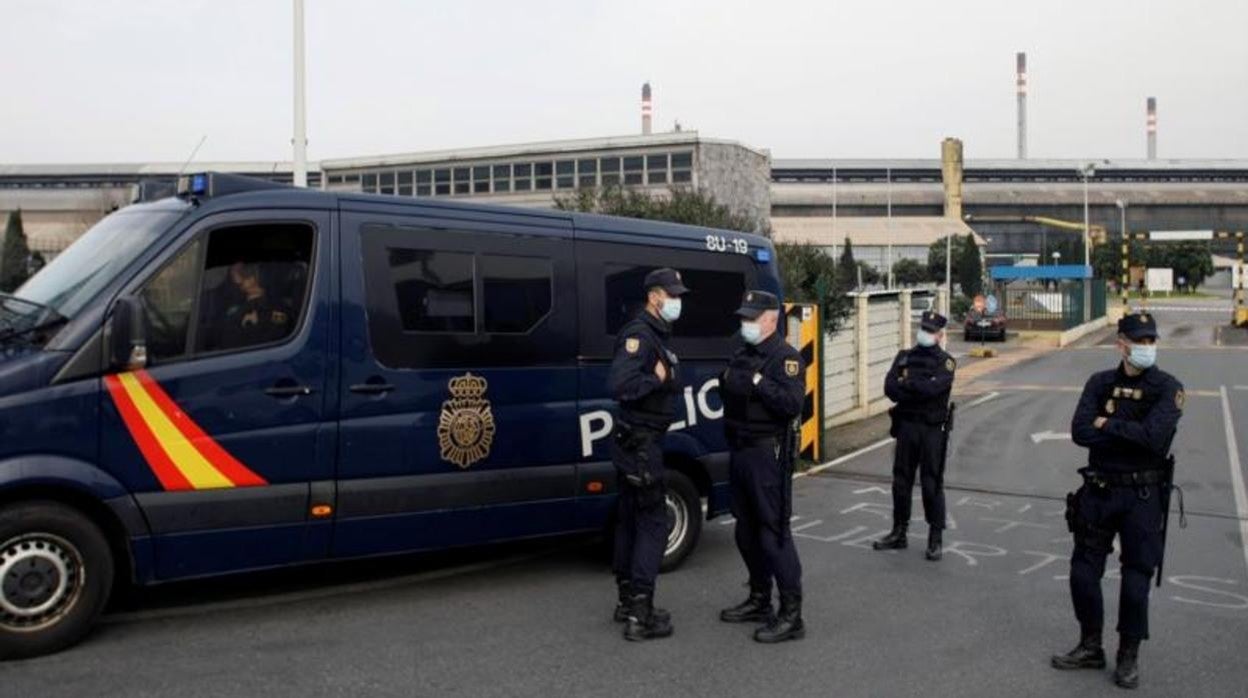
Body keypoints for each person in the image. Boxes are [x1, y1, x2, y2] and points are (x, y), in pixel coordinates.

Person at [1051, 312, 1183, 690]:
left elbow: (1154, 439)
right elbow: (1079, 432)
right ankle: (1090, 644)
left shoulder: (1168, 387)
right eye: (1138, 341)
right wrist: (1129, 433)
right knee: (1082, 572)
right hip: (1099, 490)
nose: (1145, 348)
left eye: (1150, 341)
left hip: (1142, 496)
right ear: (1120, 343)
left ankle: (1128, 655)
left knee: (1135, 579)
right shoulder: (1100, 383)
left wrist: (1106, 425)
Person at [718, 290, 806, 643]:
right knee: (745, 530)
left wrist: (756, 382)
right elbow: (725, 389)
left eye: (752, 318)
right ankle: (759, 598)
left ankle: (792, 614)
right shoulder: (743, 353)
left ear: (771, 319)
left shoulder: (785, 358)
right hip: (739, 450)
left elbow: (791, 403)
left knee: (773, 533)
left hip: (766, 454)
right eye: (743, 318)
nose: (746, 324)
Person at [607, 267, 688, 642]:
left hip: (636, 442)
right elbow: (620, 385)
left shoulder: (657, 334)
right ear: (655, 296)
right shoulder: (641, 335)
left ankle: (626, 600)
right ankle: (641, 613)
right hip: (640, 445)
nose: (677, 302)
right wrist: (657, 378)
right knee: (652, 523)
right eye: (672, 295)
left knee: (629, 518)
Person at [873, 311, 955, 560]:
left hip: (932, 430)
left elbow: (933, 389)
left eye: (931, 331)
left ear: (940, 335)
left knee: (931, 483)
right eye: (924, 329)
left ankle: (935, 537)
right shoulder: (904, 357)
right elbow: (890, 388)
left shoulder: (946, 361)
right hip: (907, 426)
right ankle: (899, 532)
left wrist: (907, 385)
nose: (925, 334)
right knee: (901, 481)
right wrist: (915, 387)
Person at [221, 261, 291, 349]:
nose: (240, 279)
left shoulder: (277, 308)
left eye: (246, 274)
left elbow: (275, 338)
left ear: (258, 277)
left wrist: (257, 324)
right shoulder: (233, 306)